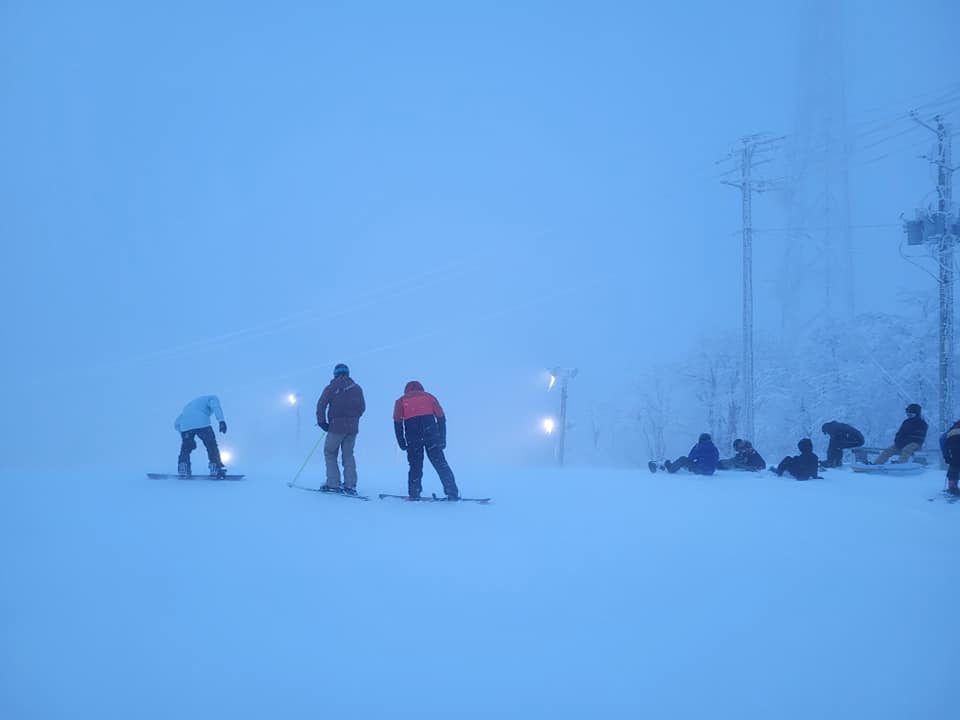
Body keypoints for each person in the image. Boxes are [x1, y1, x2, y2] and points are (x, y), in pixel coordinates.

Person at [393, 380, 459, 500]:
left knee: (415, 465)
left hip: (413, 436)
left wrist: (401, 442)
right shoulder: (429, 397)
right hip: (431, 434)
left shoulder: (401, 401)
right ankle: (452, 492)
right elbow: (441, 418)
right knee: (440, 463)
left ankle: (414, 493)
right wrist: (442, 439)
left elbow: (397, 423)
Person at [316, 363, 366, 496]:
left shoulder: (331, 387)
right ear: (348, 373)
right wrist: (353, 418)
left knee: (330, 452)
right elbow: (362, 408)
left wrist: (322, 422)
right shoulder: (357, 388)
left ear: (335, 374)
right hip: (352, 429)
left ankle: (333, 483)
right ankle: (350, 485)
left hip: (336, 427)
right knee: (348, 454)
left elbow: (321, 405)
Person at [175, 395, 228, 478]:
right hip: (202, 423)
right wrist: (221, 421)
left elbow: (176, 423)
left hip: (185, 425)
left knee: (185, 448)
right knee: (211, 445)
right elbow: (215, 406)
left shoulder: (189, 406)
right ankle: (215, 468)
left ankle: (183, 468)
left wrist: (186, 438)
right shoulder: (213, 398)